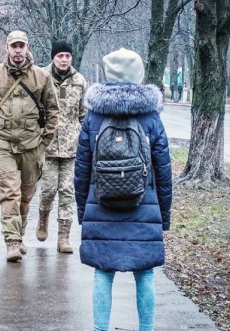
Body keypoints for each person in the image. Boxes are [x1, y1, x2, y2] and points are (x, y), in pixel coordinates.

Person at [73, 48, 172, 331]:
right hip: (144, 206)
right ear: (138, 75)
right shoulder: (151, 117)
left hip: (101, 206)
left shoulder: (93, 117)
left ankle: (100, 329)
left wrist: (84, 212)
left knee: (103, 274)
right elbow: (163, 171)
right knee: (145, 275)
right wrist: (163, 216)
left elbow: (82, 171)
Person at [0, 30, 59, 262]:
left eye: (22, 46)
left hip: (32, 145)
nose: (18, 51)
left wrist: (45, 141)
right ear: (7, 48)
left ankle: (19, 235)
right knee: (9, 192)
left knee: (25, 195)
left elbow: (53, 110)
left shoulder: (41, 77)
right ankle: (11, 241)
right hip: (3, 144)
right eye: (14, 46)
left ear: (27, 47)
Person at [36, 40, 87, 254]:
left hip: (71, 147)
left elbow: (84, 114)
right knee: (48, 189)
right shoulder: (41, 77)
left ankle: (63, 237)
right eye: (60, 56)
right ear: (53, 57)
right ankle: (43, 218)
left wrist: (86, 139)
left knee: (67, 191)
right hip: (46, 145)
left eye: (67, 56)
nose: (64, 60)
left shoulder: (79, 81)